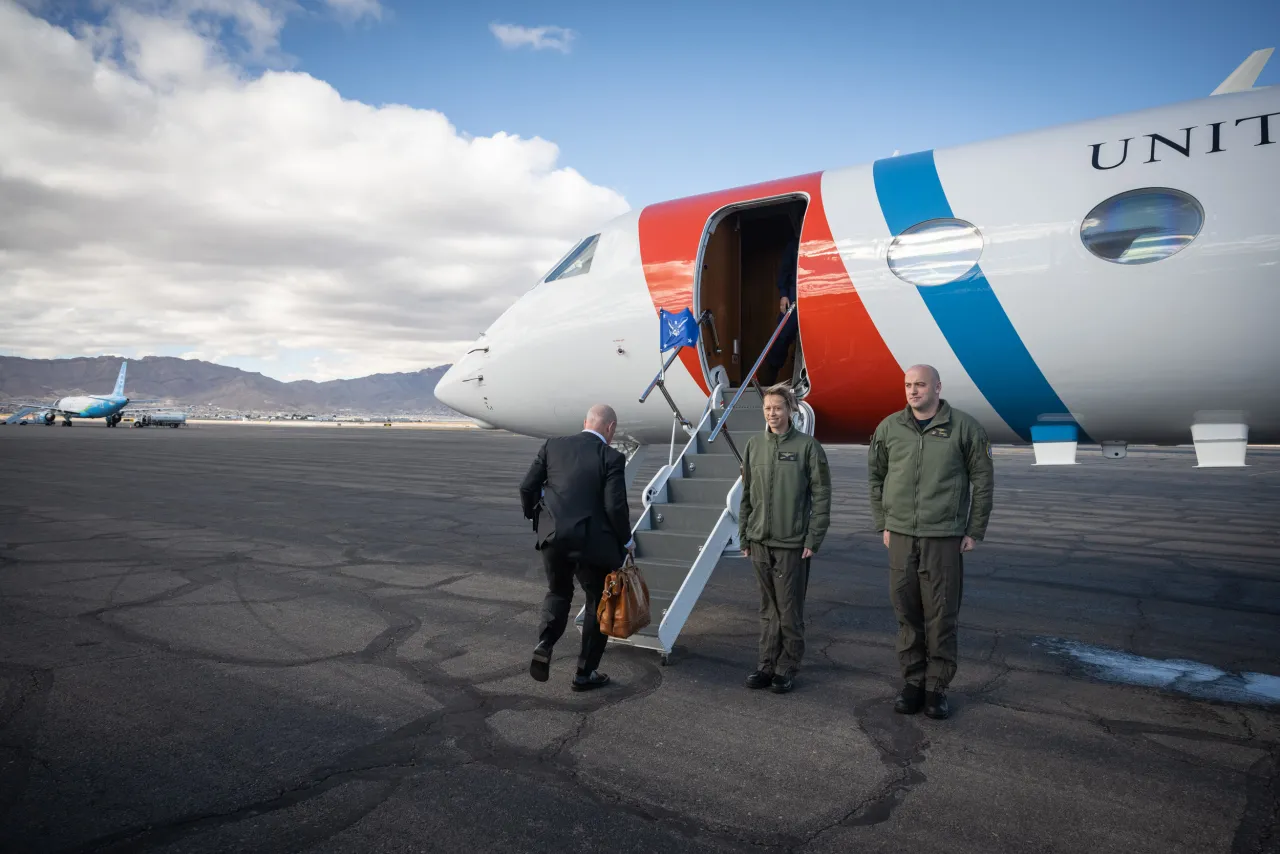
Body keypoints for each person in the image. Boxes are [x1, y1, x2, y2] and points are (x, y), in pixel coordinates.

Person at [868, 365, 994, 720]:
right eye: (908, 385)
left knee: (940, 615)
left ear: (937, 387)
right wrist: (884, 522)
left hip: (943, 535)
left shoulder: (965, 428)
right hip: (902, 534)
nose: (913, 391)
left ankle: (936, 688)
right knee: (906, 613)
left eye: (920, 385)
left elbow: (983, 481)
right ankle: (912, 683)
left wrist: (974, 529)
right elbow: (876, 476)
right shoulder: (890, 427)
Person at [519, 404, 632, 692]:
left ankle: (545, 642)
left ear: (585, 422)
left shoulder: (553, 446)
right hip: (592, 544)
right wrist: (626, 539)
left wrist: (538, 518)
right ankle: (585, 673)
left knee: (558, 591)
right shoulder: (611, 457)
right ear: (610, 428)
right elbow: (614, 506)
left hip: (554, 537)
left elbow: (526, 487)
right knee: (598, 602)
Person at [737, 383, 832, 694]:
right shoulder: (754, 445)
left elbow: (821, 496)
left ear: (791, 410)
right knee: (767, 609)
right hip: (759, 539)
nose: (772, 414)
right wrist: (744, 534)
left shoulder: (808, 447)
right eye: (767, 409)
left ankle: (787, 666)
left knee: (789, 608)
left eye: (777, 408)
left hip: (791, 542)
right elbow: (747, 494)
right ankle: (766, 664)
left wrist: (812, 538)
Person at [757, 234, 800, 386]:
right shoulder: (794, 244)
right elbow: (785, 271)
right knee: (783, 335)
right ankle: (767, 379)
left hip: (816, 292)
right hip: (794, 295)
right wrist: (783, 295)